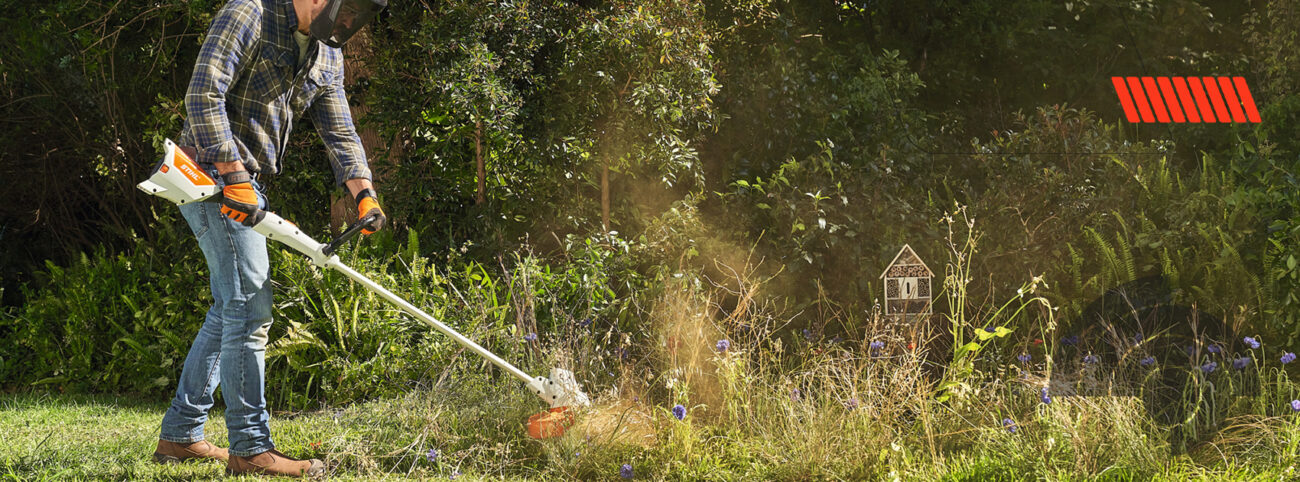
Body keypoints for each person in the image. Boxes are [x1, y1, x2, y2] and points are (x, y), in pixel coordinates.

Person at [151, 0, 386, 476]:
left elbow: (339, 129)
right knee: (249, 306)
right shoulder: (249, 15)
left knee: (230, 306)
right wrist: (234, 173)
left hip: (247, 185)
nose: (346, 21)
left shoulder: (326, 53)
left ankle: (180, 435)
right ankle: (251, 448)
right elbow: (201, 97)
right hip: (208, 174)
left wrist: (364, 193)